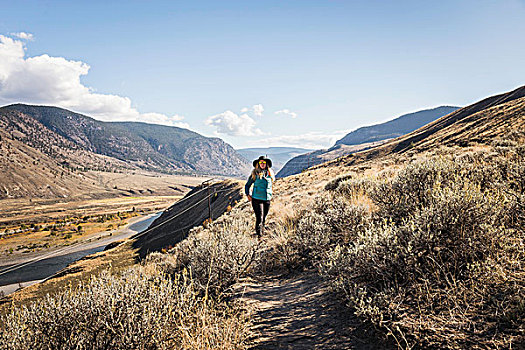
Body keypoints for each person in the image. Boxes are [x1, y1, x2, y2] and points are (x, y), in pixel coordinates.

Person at [245, 155, 275, 237]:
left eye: (264, 162)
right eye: (260, 162)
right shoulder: (255, 173)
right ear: (258, 163)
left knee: (264, 217)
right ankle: (259, 235)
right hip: (257, 199)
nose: (262, 164)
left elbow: (270, 186)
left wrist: (271, 194)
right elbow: (247, 185)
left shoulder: (270, 174)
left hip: (267, 199)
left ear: (266, 164)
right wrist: (248, 194)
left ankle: (262, 231)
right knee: (260, 217)